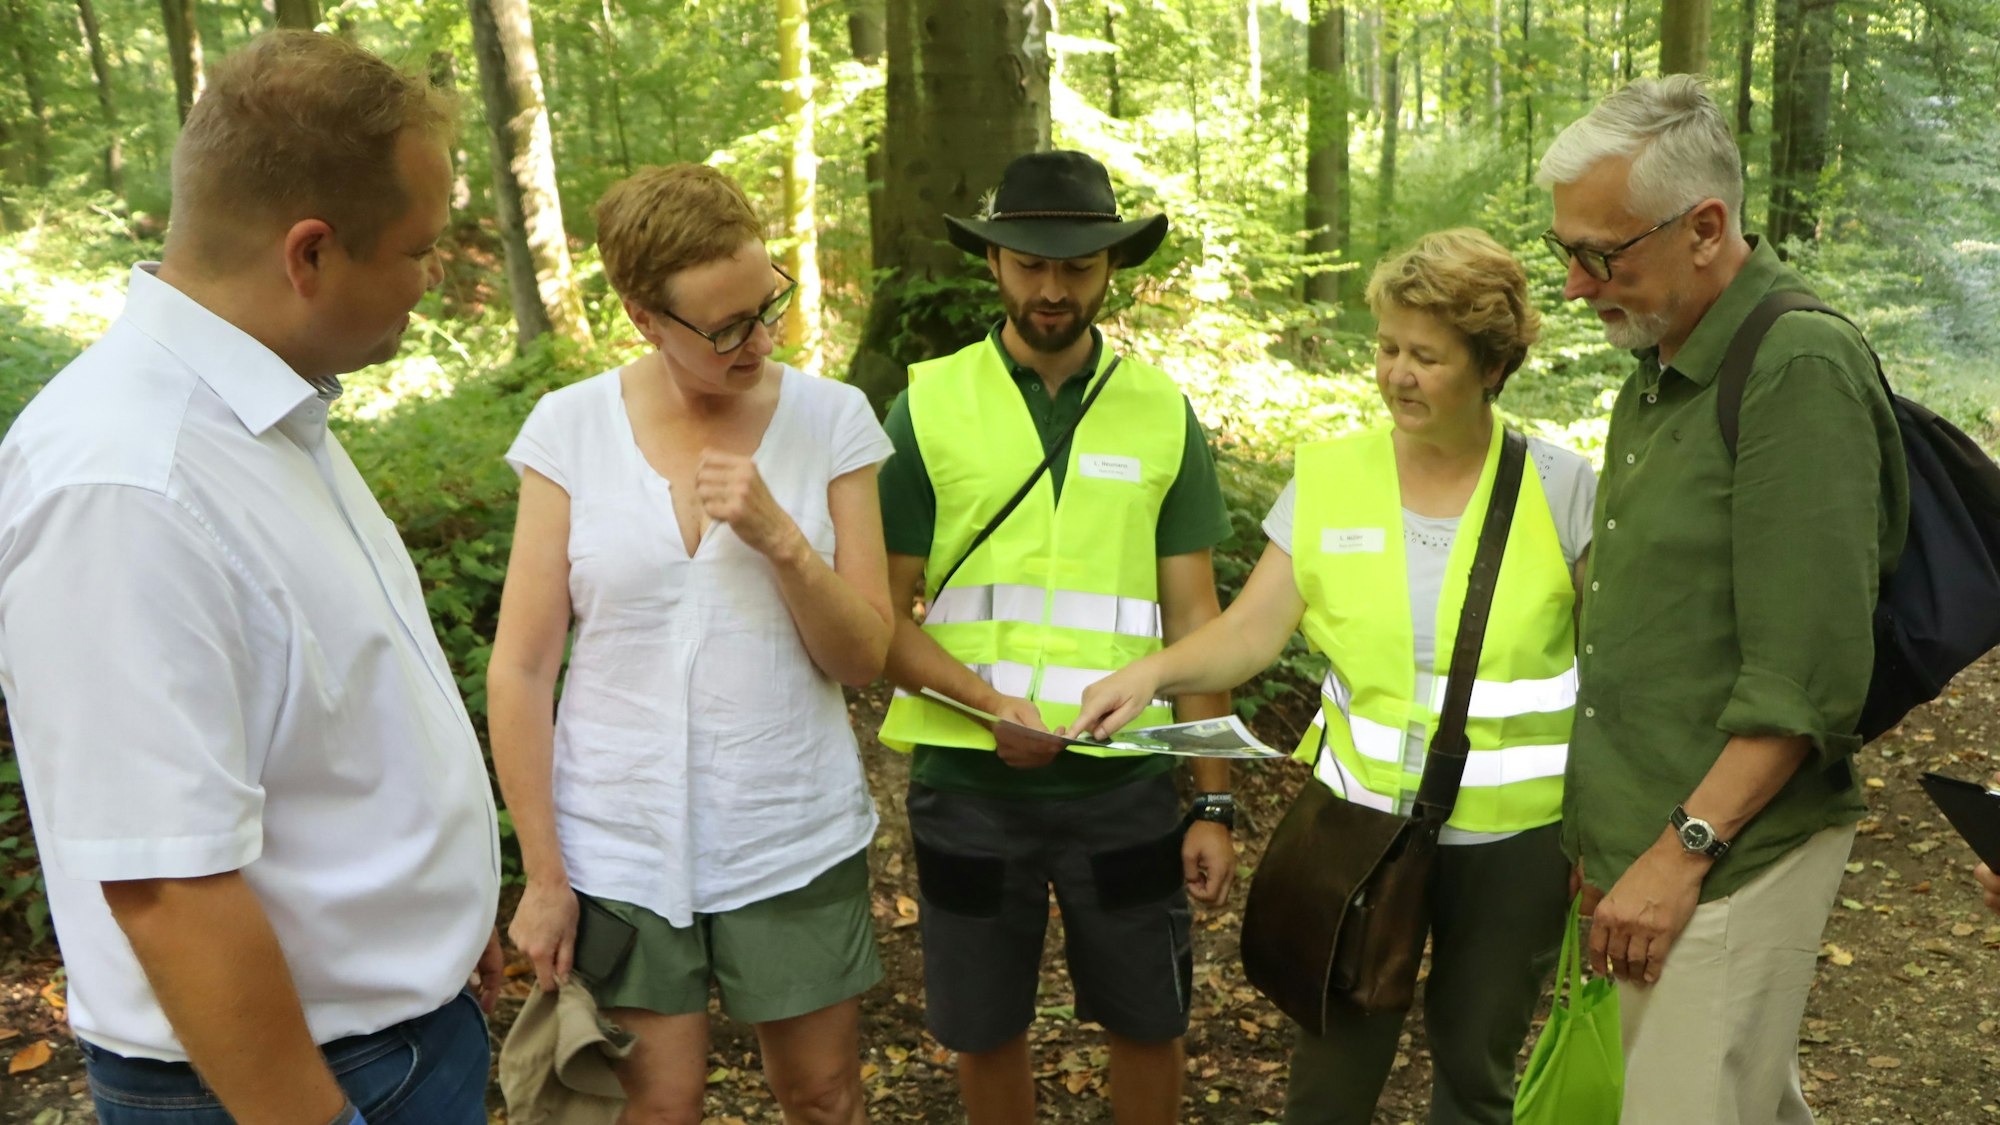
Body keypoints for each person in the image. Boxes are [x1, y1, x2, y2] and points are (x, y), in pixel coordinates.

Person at [0, 31, 502, 1125]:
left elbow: (329, 714)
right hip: (278, 1089)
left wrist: (437, 927)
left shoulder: (267, 416)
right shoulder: (126, 484)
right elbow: (166, 884)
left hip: (398, 1040)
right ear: (308, 253)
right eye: (419, 251)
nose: (430, 280)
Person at [1075, 229, 1593, 1125]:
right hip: (1360, 830)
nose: (1397, 373)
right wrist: (1150, 673)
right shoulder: (1329, 478)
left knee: (1476, 1075)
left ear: (1490, 363)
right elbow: (1248, 634)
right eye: (1388, 347)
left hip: (1516, 843)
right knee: (1329, 1082)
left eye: (1426, 356)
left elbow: (1614, 671)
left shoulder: (1561, 487)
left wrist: (1610, 832)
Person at [489, 162, 893, 1125]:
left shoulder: (834, 422)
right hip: (617, 845)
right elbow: (523, 665)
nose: (759, 340)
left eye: (767, 306)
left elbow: (866, 656)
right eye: (723, 327)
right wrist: (544, 874)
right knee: (654, 1108)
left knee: (824, 1095)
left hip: (789, 830)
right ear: (642, 318)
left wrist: (783, 540)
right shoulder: (569, 429)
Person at [1538, 75, 1907, 1125]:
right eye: (1564, 250)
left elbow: (1803, 675)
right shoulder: (1654, 371)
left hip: (1729, 854)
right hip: (1653, 838)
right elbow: (1649, 631)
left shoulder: (1795, 367)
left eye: (1599, 255)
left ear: (1703, 227)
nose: (1572, 286)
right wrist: (1605, 847)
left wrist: (1673, 855)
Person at [873, 149, 1236, 1124]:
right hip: (967, 788)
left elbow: (1192, 620)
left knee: (1148, 1019)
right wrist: (988, 706)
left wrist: (1213, 800)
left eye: (1074, 266)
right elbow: (880, 617)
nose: (1050, 286)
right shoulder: (926, 405)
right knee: (984, 1027)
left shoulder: (1160, 409)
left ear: (1109, 268)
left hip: (1121, 789)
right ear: (991, 264)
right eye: (1028, 263)